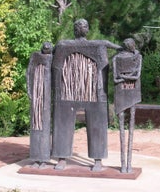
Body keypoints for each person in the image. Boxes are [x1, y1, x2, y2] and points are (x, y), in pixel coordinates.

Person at [52, 19, 122, 171]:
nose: (85, 28)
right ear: (76, 29)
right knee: (62, 122)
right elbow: (55, 64)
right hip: (67, 89)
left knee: (97, 123)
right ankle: (61, 157)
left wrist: (127, 49)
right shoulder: (64, 45)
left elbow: (116, 47)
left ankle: (98, 159)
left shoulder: (98, 44)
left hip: (93, 90)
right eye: (81, 25)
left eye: (86, 25)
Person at [113, 38, 142, 173]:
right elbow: (115, 78)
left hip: (133, 92)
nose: (134, 46)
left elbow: (137, 77)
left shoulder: (138, 57)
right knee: (121, 127)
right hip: (121, 93)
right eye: (133, 45)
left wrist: (124, 77)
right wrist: (129, 76)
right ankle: (123, 164)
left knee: (131, 125)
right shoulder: (117, 59)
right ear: (129, 46)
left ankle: (129, 164)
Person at [26, 42, 53, 169]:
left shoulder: (52, 58)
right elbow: (29, 72)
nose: (47, 48)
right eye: (45, 46)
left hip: (47, 98)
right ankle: (36, 158)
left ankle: (44, 159)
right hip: (37, 95)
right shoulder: (35, 56)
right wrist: (29, 90)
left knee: (45, 127)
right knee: (36, 126)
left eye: (49, 47)